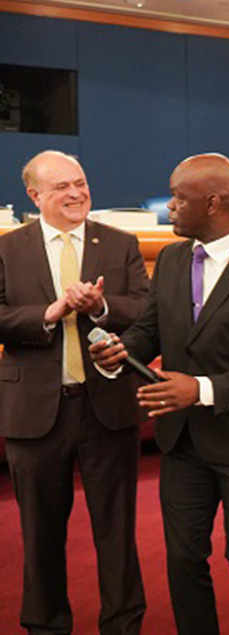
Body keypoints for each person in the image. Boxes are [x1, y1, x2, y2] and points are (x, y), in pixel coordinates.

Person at [90, 153, 229, 633]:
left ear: (211, 204)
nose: (168, 207)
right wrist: (121, 352)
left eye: (178, 198)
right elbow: (149, 331)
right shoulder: (169, 259)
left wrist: (200, 390)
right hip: (181, 444)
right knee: (184, 559)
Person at [0, 150, 149, 634]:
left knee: (117, 529)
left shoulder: (121, 243)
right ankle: (45, 625)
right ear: (34, 195)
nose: (75, 193)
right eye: (61, 186)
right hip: (34, 412)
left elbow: (146, 311)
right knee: (40, 533)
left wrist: (101, 305)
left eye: (80, 182)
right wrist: (51, 311)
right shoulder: (8, 248)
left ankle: (123, 623)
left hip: (106, 406)